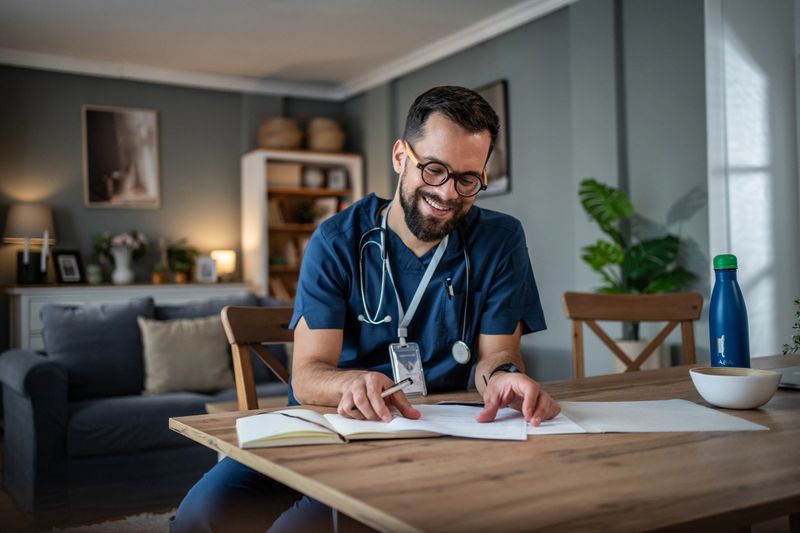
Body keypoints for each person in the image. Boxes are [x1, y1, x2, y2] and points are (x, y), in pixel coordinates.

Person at [172, 85, 560, 532]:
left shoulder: (500, 239)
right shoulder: (336, 240)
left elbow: (496, 355)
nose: (448, 193)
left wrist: (506, 379)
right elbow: (308, 373)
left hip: (439, 437)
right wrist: (353, 383)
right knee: (202, 515)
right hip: (325, 428)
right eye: (433, 169)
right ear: (400, 157)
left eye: (467, 179)